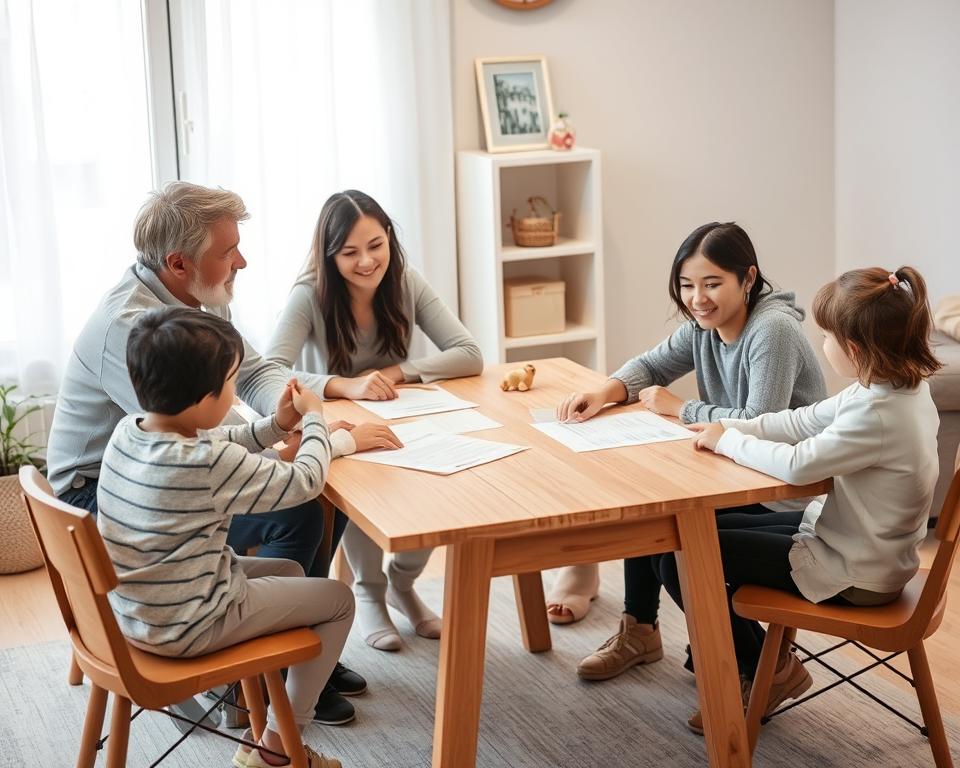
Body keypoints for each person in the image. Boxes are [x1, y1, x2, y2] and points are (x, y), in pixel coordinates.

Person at [45, 182, 394, 723]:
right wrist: (318, 437)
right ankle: (262, 673)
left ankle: (293, 649)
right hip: (103, 496)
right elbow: (210, 442)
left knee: (317, 502)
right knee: (304, 507)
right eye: (228, 251)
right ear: (179, 262)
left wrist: (287, 415)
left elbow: (250, 372)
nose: (242, 261)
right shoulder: (136, 330)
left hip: (148, 472)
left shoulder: (192, 301)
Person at [657, 265, 942, 733]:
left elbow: (797, 464)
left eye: (826, 337)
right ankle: (762, 665)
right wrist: (728, 426)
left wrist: (727, 443)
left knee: (682, 559)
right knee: (696, 537)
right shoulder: (896, 389)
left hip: (855, 573)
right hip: (861, 549)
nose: (822, 344)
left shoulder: (877, 413)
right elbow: (803, 421)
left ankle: (763, 672)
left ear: (853, 348)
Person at [552, 222, 827, 683]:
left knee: (664, 530)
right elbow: (650, 365)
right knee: (647, 506)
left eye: (712, 284)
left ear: (748, 278)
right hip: (733, 470)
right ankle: (641, 631)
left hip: (779, 486)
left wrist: (683, 408)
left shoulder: (772, 330)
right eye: (687, 285)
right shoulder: (704, 327)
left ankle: (757, 665)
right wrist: (603, 392)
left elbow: (760, 420)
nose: (698, 298)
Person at [99, 307, 352, 767]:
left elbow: (218, 443)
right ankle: (279, 748)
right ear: (203, 398)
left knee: (289, 570)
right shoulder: (206, 464)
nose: (235, 391)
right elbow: (306, 481)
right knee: (339, 600)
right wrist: (315, 418)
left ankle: (269, 714)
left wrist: (276, 426)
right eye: (232, 381)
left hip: (136, 614)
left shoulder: (129, 432)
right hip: (190, 625)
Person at [267, 190, 483, 651]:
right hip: (337, 426)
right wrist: (345, 385)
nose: (367, 262)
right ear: (329, 255)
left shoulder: (406, 282)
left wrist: (397, 372)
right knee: (364, 477)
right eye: (350, 253)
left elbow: (469, 353)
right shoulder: (309, 294)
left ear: (390, 239)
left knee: (441, 472)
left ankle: (403, 583)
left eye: (376, 245)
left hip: (402, 416)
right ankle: (369, 592)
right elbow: (271, 370)